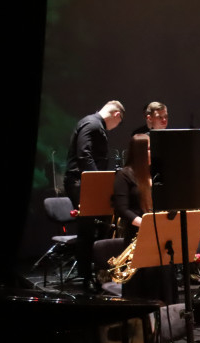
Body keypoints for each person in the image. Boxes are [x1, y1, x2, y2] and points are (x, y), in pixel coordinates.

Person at [65, 100, 125, 291]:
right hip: (81, 183)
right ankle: (86, 277)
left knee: (98, 226)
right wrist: (98, 182)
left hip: (85, 183)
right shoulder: (93, 124)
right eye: (119, 123)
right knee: (87, 230)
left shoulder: (93, 124)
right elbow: (84, 154)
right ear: (117, 115)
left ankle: (96, 272)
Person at [111, 134, 175, 302]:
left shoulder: (157, 174)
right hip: (138, 237)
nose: (152, 151)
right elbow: (122, 209)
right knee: (142, 287)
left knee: (164, 282)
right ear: (139, 151)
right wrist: (146, 225)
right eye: (148, 148)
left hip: (160, 236)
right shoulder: (124, 175)